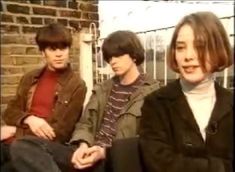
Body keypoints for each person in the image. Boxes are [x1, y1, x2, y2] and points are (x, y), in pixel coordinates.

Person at [10, 30, 160, 172]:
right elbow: (85, 123)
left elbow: (150, 141)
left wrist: (104, 152)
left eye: (118, 55)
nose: (113, 61)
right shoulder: (103, 88)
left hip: (116, 159)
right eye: (109, 58)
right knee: (23, 146)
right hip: (88, 153)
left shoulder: (153, 93)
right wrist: (83, 145)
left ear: (134, 56)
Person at [139, 11, 233, 172]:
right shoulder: (156, 104)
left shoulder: (230, 103)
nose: (188, 56)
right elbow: (159, 163)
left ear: (218, 49)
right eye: (181, 48)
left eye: (200, 46)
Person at [0, 23, 87, 171]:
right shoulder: (29, 78)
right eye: (52, 49)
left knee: (12, 162)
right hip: (11, 144)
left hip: (40, 148)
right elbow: (10, 111)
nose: (59, 54)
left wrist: (15, 130)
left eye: (63, 48)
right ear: (42, 52)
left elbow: (60, 132)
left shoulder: (77, 85)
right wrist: (29, 118)